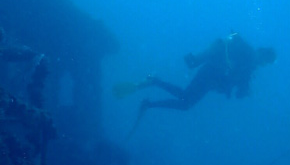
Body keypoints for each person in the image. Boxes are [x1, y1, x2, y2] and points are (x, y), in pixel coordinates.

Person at [116, 33, 275, 135]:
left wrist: (244, 91)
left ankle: (152, 91)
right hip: (210, 73)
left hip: (210, 76)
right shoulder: (247, 55)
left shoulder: (249, 65)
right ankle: (151, 95)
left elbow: (238, 92)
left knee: (185, 100)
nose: (263, 64)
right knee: (185, 102)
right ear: (262, 53)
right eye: (265, 60)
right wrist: (243, 89)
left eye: (266, 63)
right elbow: (236, 83)